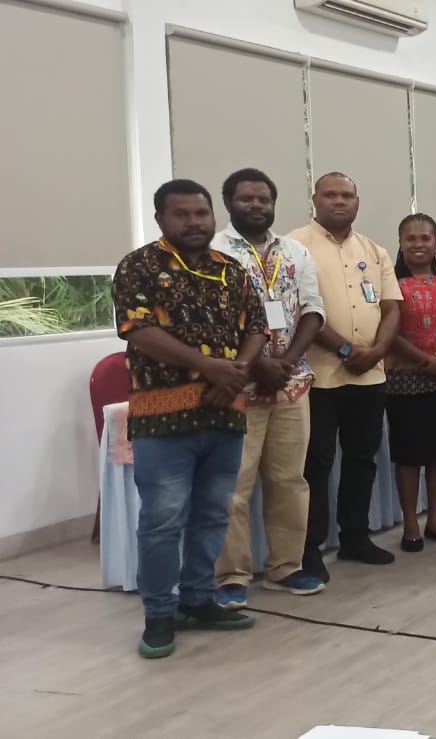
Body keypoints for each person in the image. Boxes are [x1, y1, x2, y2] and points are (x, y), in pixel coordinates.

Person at [113, 179, 268, 658]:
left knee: (214, 513)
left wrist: (237, 371)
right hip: (162, 418)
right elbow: (137, 329)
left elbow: (257, 326)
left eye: (201, 213)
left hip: (224, 412)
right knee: (162, 520)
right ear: (160, 219)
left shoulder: (231, 269)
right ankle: (160, 613)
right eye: (181, 214)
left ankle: (199, 599)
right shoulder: (139, 266)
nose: (194, 222)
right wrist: (210, 367)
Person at [211, 168, 327, 609]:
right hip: (238, 386)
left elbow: (313, 311)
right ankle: (231, 576)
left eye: (264, 199)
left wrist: (287, 362)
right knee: (234, 485)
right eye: (247, 199)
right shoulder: (214, 252)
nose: (256, 205)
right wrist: (257, 365)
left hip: (290, 385)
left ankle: (285, 567)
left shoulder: (295, 251)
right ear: (228, 203)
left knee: (289, 480)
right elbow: (215, 321)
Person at [291, 172, 403, 581]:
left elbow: (391, 308)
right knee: (316, 464)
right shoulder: (294, 246)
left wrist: (375, 352)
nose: (339, 201)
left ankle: (355, 536)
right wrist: (344, 350)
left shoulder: (374, 250)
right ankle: (310, 549)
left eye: (347, 195)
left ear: (357, 201)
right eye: (331, 195)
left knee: (361, 459)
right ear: (315, 199)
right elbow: (300, 309)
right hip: (319, 377)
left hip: (369, 377)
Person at [385, 213, 436, 552]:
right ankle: (410, 525)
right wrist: (427, 362)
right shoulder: (390, 282)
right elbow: (387, 332)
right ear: (401, 242)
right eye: (411, 238)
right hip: (404, 383)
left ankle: (435, 520)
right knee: (408, 455)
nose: (418, 244)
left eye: (425, 238)